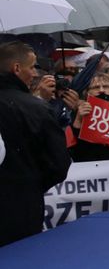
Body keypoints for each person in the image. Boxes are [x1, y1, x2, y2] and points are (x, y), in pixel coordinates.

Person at [0, 41, 72, 246]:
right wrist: (30, 185)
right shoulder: (35, 109)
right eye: (32, 67)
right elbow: (58, 163)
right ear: (16, 68)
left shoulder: (34, 106)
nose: (34, 74)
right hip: (22, 209)